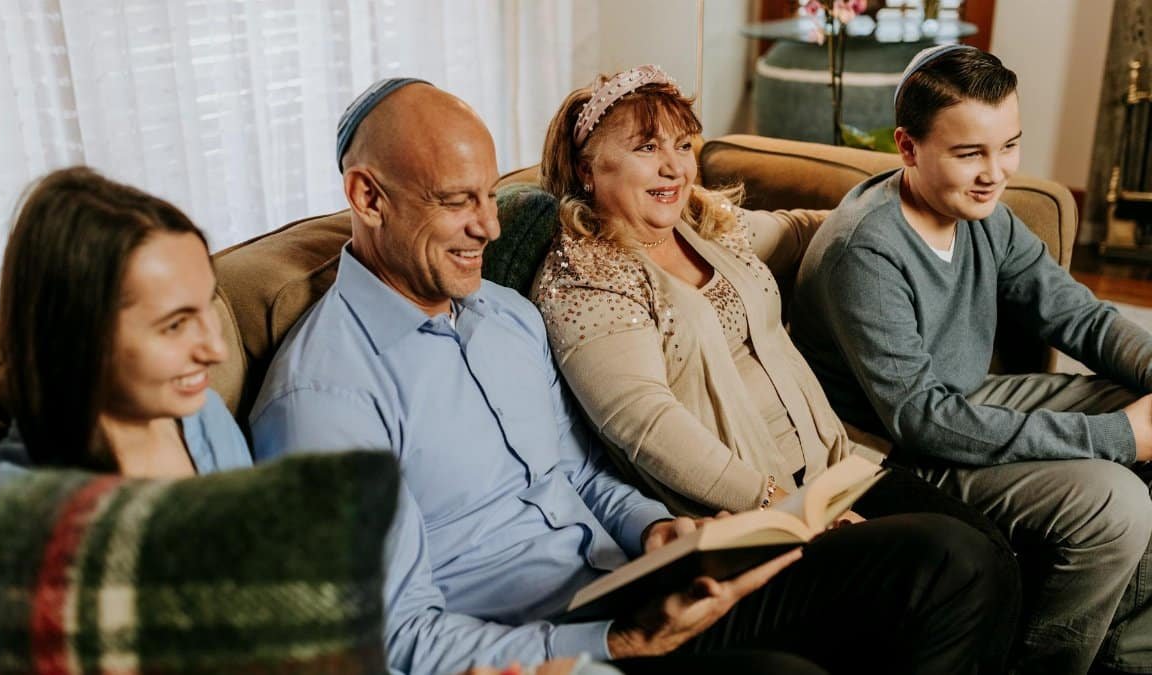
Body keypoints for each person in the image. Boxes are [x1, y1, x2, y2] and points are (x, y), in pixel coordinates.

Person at [250, 77, 1004, 675]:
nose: (491, 225)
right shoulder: (323, 398)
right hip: (550, 648)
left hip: (635, 585)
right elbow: (400, 639)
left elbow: (581, 475)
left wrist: (658, 527)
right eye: (457, 202)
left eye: (489, 194)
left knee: (951, 557)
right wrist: (615, 644)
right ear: (367, 197)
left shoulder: (504, 317)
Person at [532, 63, 1020, 672]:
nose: (674, 167)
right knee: (956, 560)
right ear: (585, 167)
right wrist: (776, 504)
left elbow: (795, 230)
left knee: (995, 551)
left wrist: (894, 211)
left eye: (683, 146)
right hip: (752, 517)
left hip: (837, 469)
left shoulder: (699, 228)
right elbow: (646, 423)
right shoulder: (588, 278)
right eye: (645, 149)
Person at [789, 45, 1152, 675]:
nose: (996, 172)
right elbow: (921, 420)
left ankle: (1124, 659)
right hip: (887, 454)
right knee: (1113, 501)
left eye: (1007, 145)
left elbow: (1081, 318)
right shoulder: (865, 252)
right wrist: (1119, 436)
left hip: (966, 404)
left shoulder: (986, 216)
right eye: (969, 154)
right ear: (908, 147)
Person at [0, 166, 250, 477]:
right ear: (78, 338)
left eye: (208, 304)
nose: (218, 351)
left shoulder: (205, 412)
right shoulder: (21, 506)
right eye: (175, 325)